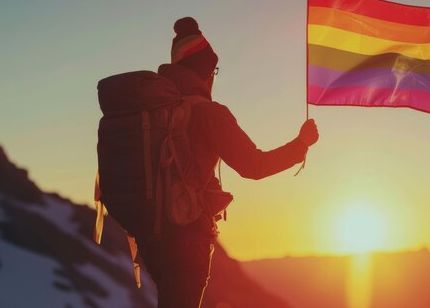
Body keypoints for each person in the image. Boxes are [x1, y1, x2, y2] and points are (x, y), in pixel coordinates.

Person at [133, 17, 319, 308]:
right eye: (214, 70)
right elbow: (254, 166)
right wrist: (301, 145)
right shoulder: (209, 113)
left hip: (152, 237)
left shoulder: (156, 112)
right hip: (188, 235)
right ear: (206, 72)